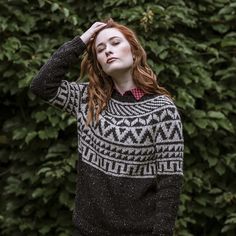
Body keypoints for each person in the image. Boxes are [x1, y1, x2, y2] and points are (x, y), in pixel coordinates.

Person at [30, 18, 184, 236]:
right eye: (100, 49)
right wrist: (82, 41)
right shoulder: (86, 98)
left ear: (134, 50)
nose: (108, 51)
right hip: (86, 230)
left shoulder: (162, 110)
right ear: (99, 63)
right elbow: (42, 85)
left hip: (139, 232)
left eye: (115, 43)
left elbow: (170, 182)